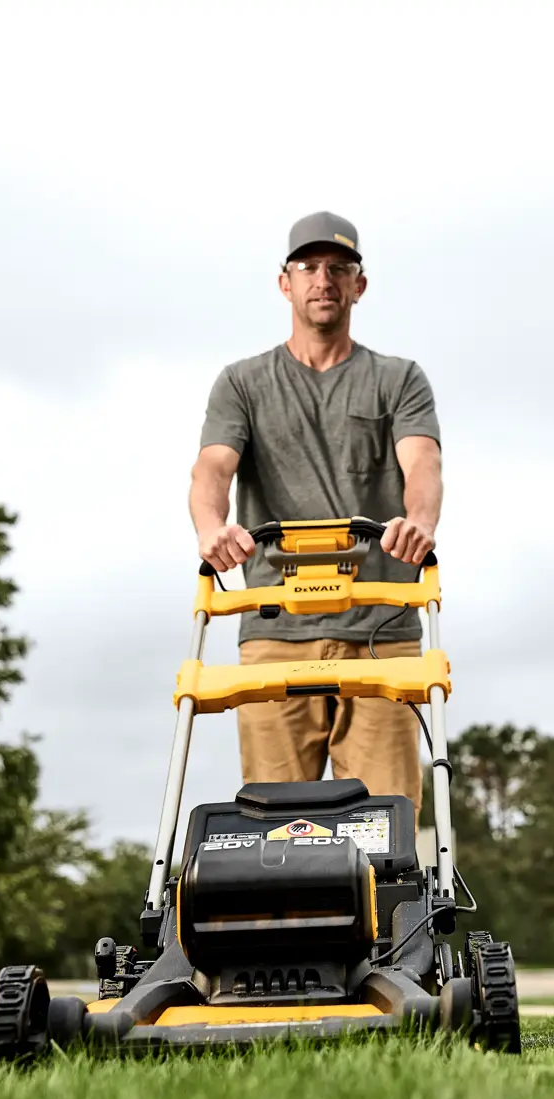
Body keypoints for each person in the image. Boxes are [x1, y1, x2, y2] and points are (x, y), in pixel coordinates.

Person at [188, 211, 443, 814]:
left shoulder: (398, 379)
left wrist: (421, 524)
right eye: (309, 267)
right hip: (276, 630)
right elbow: (212, 468)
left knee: (386, 828)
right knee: (276, 830)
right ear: (286, 283)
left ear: (359, 285)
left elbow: (423, 463)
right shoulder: (243, 383)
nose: (322, 279)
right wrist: (210, 528)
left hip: (381, 633)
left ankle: (393, 911)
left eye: (338, 268)